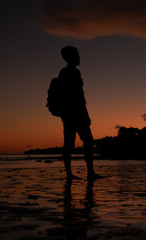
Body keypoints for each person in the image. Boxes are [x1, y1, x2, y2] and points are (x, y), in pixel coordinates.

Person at [58, 45, 103, 180]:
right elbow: (78, 96)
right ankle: (88, 173)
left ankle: (71, 174)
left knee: (70, 143)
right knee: (86, 141)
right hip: (75, 114)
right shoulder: (72, 73)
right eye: (76, 55)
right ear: (69, 57)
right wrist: (85, 114)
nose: (79, 58)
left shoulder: (65, 72)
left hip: (68, 114)